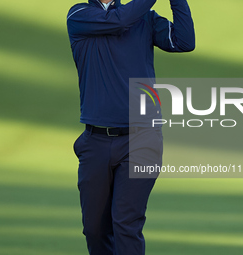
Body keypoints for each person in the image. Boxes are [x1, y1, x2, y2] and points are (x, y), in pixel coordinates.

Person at [67, 0, 195, 254]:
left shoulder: (145, 18)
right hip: (96, 141)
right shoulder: (79, 14)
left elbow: (184, 41)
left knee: (127, 223)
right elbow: (119, 20)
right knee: (95, 229)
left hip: (142, 139)